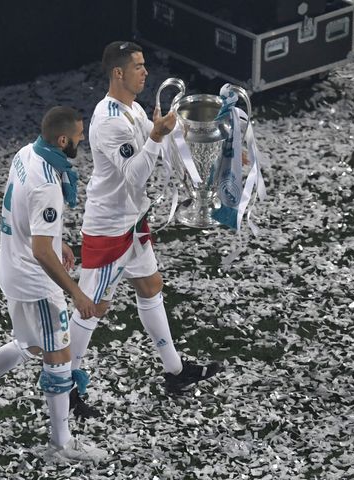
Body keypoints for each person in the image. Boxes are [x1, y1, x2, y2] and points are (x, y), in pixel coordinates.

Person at [0, 106, 106, 463]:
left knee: (29, 345)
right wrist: (77, 294)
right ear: (62, 140)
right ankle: (61, 446)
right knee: (59, 358)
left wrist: (58, 241)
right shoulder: (48, 185)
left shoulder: (27, 153)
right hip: (34, 281)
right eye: (78, 136)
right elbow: (41, 251)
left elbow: (25, 217)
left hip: (10, 264)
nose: (81, 140)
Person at [67, 41, 221, 418]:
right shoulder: (108, 122)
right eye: (138, 66)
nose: (145, 71)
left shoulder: (133, 109)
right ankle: (64, 384)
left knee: (151, 286)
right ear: (118, 73)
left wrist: (178, 143)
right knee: (92, 308)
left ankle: (175, 372)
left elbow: (155, 155)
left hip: (132, 221)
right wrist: (155, 136)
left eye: (144, 64)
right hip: (109, 227)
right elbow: (135, 176)